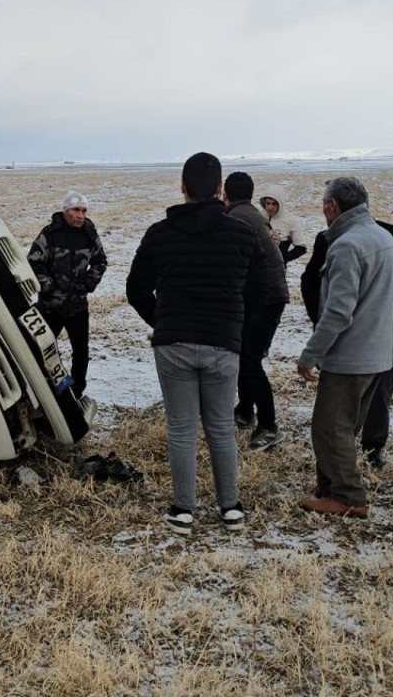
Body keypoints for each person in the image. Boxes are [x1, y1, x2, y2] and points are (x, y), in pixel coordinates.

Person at [126, 153, 259, 535]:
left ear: (182, 187)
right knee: (221, 427)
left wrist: (163, 321)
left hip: (174, 344)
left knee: (181, 429)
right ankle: (230, 508)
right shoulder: (242, 234)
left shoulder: (159, 233)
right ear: (219, 189)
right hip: (223, 343)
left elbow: (135, 288)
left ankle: (183, 511)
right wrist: (234, 324)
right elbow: (260, 288)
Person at [296, 177, 393, 518]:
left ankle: (348, 497)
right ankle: (328, 485)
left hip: (350, 356)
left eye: (323, 206)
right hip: (377, 353)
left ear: (332, 206)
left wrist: (310, 355)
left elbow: (338, 311)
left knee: (330, 427)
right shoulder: (383, 237)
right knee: (345, 425)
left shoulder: (347, 245)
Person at [302, 217, 393, 470]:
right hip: (340, 336)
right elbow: (310, 281)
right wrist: (321, 320)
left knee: (379, 392)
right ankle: (337, 455)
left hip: (383, 332)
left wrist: (384, 319)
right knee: (338, 398)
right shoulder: (327, 238)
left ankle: (373, 447)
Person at [222, 171, 288, 450]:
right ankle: (245, 410)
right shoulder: (251, 214)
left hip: (264, 298)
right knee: (244, 353)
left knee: (249, 359)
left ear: (225, 194)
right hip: (266, 296)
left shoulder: (236, 218)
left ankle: (269, 426)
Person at [27, 189, 107, 398]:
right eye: (75, 210)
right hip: (51, 306)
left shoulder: (89, 233)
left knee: (81, 352)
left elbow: (100, 261)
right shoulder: (50, 233)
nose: (80, 215)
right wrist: (48, 287)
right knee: (41, 349)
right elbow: (33, 262)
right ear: (65, 211)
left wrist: (87, 284)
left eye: (84, 210)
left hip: (77, 306)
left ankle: (76, 392)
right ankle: (42, 390)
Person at [259, 186, 311, 263]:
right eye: (268, 203)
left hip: (278, 266)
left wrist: (283, 258)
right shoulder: (259, 216)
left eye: (274, 204)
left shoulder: (290, 220)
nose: (270, 207)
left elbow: (301, 248)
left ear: (280, 204)